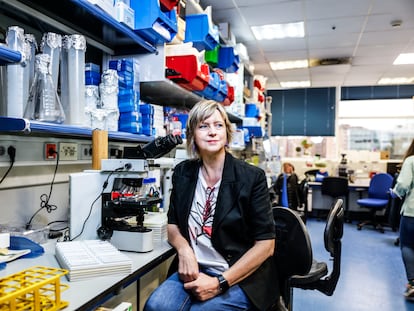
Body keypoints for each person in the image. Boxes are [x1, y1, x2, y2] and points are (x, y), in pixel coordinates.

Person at [144, 100, 279, 311]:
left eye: (218, 125)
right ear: (192, 136)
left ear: (227, 132)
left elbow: (266, 245)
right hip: (195, 268)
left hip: (239, 274)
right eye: (203, 126)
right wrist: (185, 250)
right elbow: (173, 226)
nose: (212, 132)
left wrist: (220, 283)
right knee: (156, 306)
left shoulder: (251, 177)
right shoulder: (183, 173)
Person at [390, 138, 414, 301]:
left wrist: (394, 192)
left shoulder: (411, 161)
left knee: (408, 245)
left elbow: (403, 186)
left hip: (412, 213)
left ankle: (413, 284)